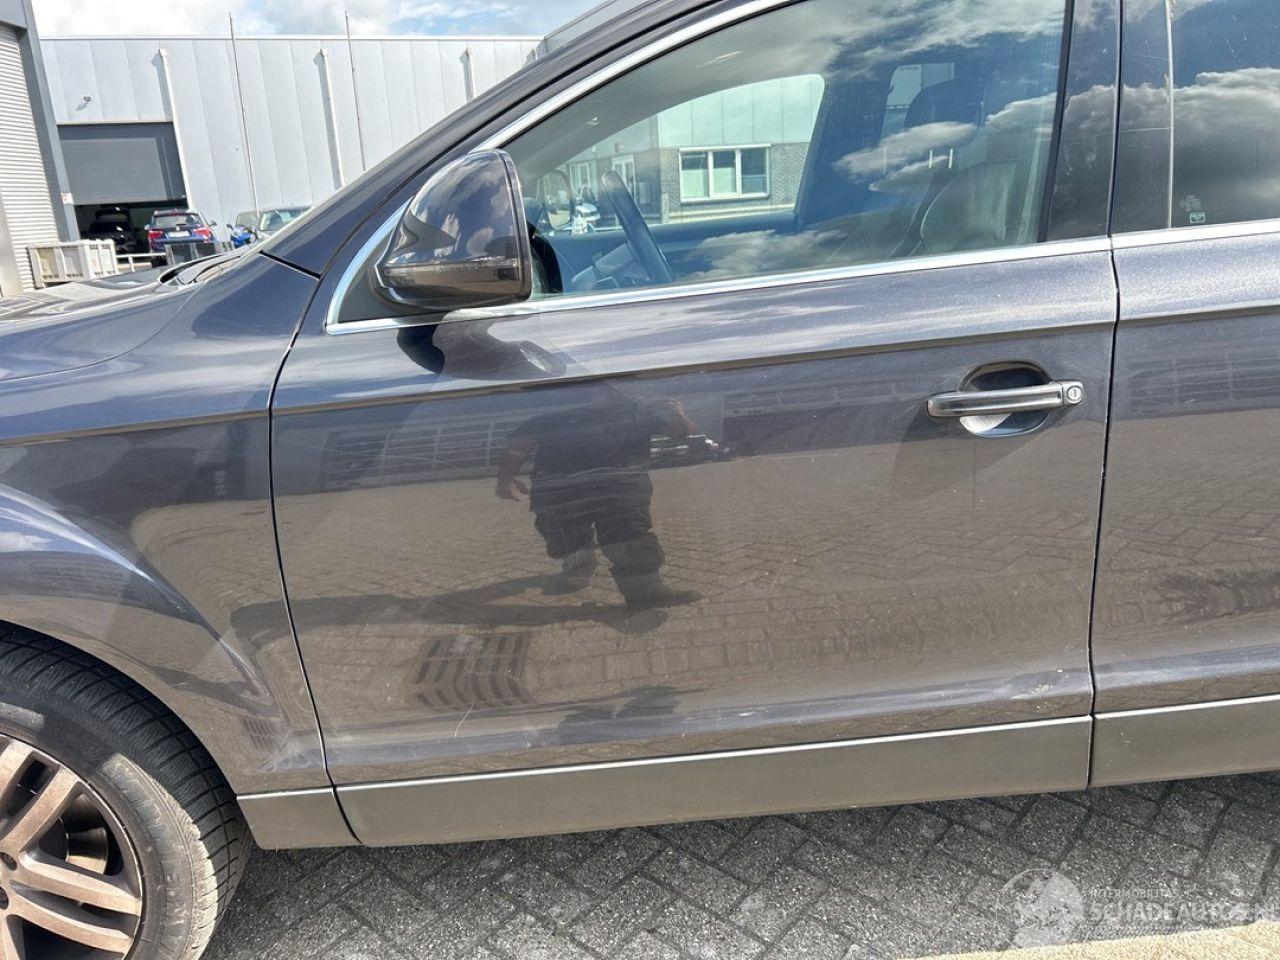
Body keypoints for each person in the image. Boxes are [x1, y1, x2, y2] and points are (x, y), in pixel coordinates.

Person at [496, 391, 704, 608]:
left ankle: (646, 590)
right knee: (563, 533)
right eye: (601, 390)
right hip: (560, 487)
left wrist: (677, 414)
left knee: (629, 534)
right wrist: (505, 478)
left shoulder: (637, 412)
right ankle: (579, 564)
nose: (607, 395)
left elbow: (682, 433)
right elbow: (518, 448)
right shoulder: (556, 413)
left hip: (620, 485)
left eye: (613, 391)